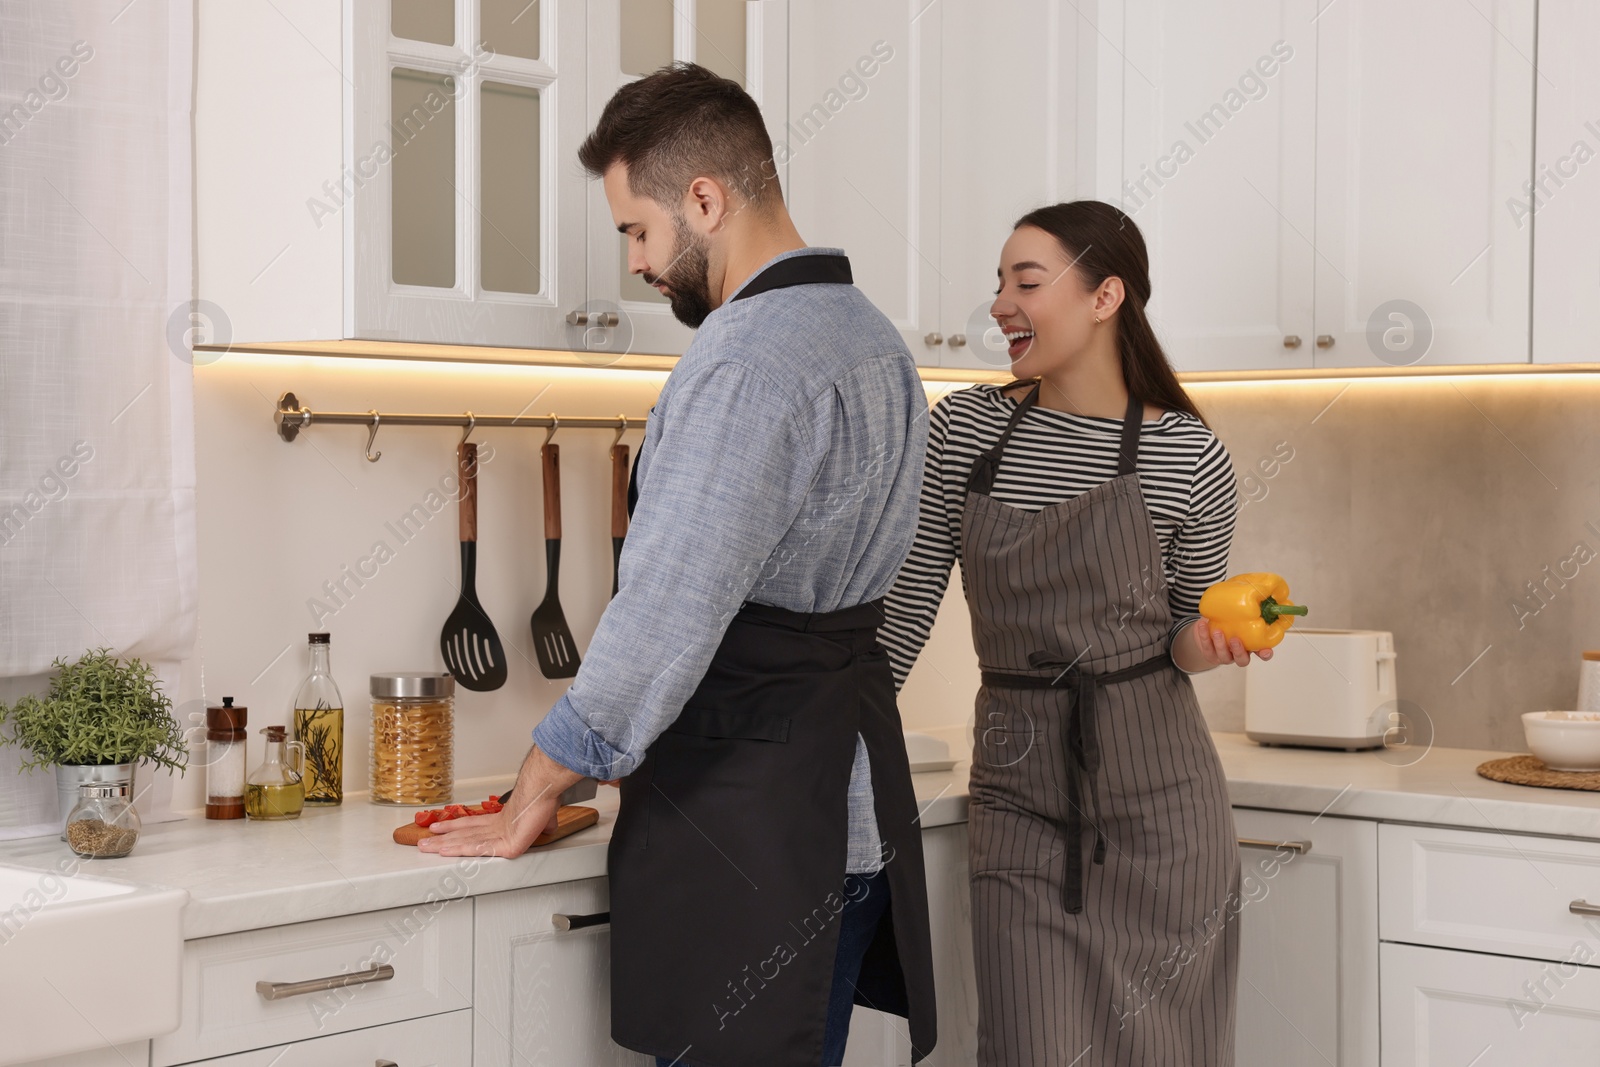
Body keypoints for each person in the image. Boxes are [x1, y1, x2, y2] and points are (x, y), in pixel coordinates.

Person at [421, 63, 937, 1067]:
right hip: (849, 797)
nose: (637, 265)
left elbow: (663, 608)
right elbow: (899, 585)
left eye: (637, 231)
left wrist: (534, 783)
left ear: (706, 198)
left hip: (751, 827)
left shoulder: (744, 360)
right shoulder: (880, 341)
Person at [878, 200, 1264, 1066]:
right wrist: (828, 737)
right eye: (998, 283)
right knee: (1029, 1042)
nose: (1000, 304)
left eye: (1026, 280)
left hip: (1163, 809)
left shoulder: (1189, 456)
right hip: (1017, 793)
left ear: (1105, 296)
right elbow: (903, 610)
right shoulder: (967, 431)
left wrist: (1220, 639)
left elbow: (1183, 636)